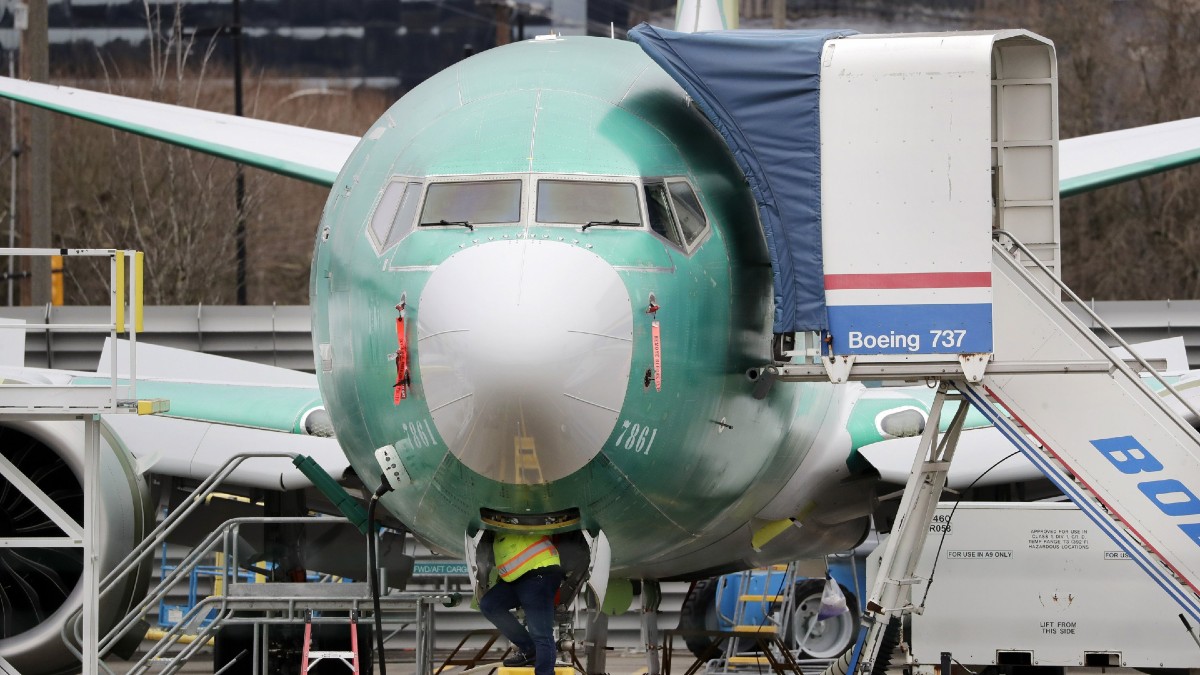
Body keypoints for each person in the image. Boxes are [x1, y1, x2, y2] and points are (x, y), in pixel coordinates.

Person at [479, 532, 564, 675]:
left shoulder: (512, 523)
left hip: (540, 572)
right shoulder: (494, 534)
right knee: (490, 605)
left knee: (541, 633)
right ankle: (529, 649)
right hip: (518, 578)